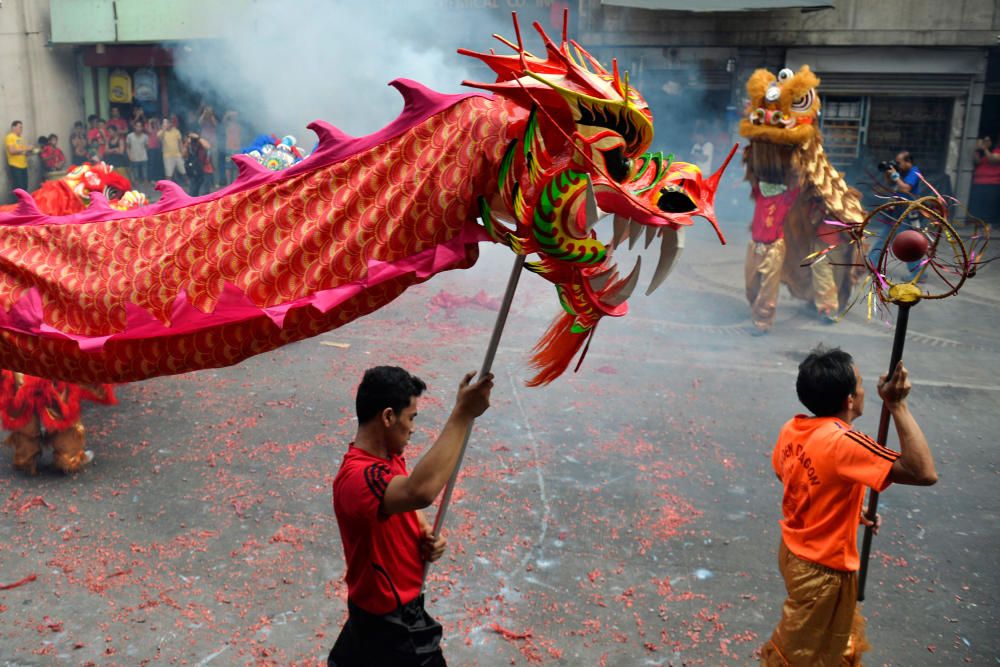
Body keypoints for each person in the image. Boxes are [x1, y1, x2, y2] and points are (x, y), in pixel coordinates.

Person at [760, 346, 937, 666]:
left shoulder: (794, 427)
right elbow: (922, 472)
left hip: (793, 552)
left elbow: (792, 476)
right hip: (822, 572)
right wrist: (897, 405)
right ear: (850, 401)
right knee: (799, 656)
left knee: (831, 646)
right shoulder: (844, 441)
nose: (865, 389)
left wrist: (846, 510)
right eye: (859, 383)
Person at [329, 367, 494, 667]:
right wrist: (463, 413)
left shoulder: (387, 459)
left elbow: (407, 503)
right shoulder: (359, 478)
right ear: (388, 416)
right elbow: (420, 491)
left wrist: (423, 531)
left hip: (376, 616)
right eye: (411, 418)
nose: (414, 428)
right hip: (391, 625)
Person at [744, 177, 800, 334]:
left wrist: (796, 171)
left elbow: (796, 187)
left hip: (774, 248)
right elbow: (753, 178)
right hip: (755, 247)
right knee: (751, 285)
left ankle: (762, 322)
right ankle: (756, 307)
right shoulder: (760, 194)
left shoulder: (785, 198)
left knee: (768, 287)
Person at [868, 150, 923, 279]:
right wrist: (889, 174)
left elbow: (905, 188)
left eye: (899, 162)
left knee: (907, 243)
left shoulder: (915, 172)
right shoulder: (901, 173)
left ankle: (918, 273)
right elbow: (891, 185)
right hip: (896, 210)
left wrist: (895, 176)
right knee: (884, 238)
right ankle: (872, 263)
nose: (897, 165)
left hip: (907, 211)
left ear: (908, 162)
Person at [970, 134, 1000, 224]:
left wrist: (985, 148)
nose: (986, 143)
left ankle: (989, 225)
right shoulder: (984, 152)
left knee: (989, 207)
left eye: (988, 141)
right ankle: (978, 223)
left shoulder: (997, 151)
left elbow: (993, 160)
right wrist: (975, 149)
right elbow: (976, 161)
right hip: (978, 182)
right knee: (977, 205)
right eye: (984, 141)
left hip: (992, 183)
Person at [5, 120, 34, 196]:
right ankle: (19, 204)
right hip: (15, 165)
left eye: (22, 128)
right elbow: (12, 151)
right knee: (19, 187)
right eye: (20, 127)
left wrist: (30, 151)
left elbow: (23, 152)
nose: (21, 129)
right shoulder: (10, 137)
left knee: (25, 186)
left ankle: (25, 204)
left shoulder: (22, 138)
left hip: (24, 165)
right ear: (13, 127)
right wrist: (26, 149)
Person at [158, 117, 185, 182]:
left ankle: (189, 184)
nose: (165, 124)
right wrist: (164, 129)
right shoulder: (161, 132)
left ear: (170, 123)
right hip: (167, 156)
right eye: (164, 123)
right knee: (168, 173)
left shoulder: (176, 131)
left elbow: (180, 142)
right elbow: (159, 138)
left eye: (166, 123)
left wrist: (183, 152)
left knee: (183, 170)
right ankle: (168, 186)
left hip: (177, 154)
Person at [126, 120, 149, 185]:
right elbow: (128, 147)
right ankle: (136, 181)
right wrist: (129, 155)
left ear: (142, 127)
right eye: (137, 126)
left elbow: (147, 147)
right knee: (135, 171)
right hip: (134, 156)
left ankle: (145, 181)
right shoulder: (130, 136)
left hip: (143, 156)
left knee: (144, 171)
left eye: (140, 126)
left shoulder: (145, 136)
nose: (138, 128)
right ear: (134, 127)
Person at [223, 110, 242, 183]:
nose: (234, 117)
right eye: (233, 116)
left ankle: (235, 182)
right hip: (229, 148)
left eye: (235, 116)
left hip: (237, 148)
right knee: (228, 166)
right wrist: (227, 114)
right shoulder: (227, 124)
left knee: (236, 167)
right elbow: (223, 122)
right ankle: (228, 183)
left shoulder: (239, 125)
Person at [146, 117, 163, 181]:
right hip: (151, 148)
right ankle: (151, 178)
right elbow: (149, 131)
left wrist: (157, 122)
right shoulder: (148, 126)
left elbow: (160, 130)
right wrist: (150, 122)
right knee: (151, 164)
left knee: (157, 163)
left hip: (158, 147)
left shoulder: (157, 127)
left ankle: (157, 178)